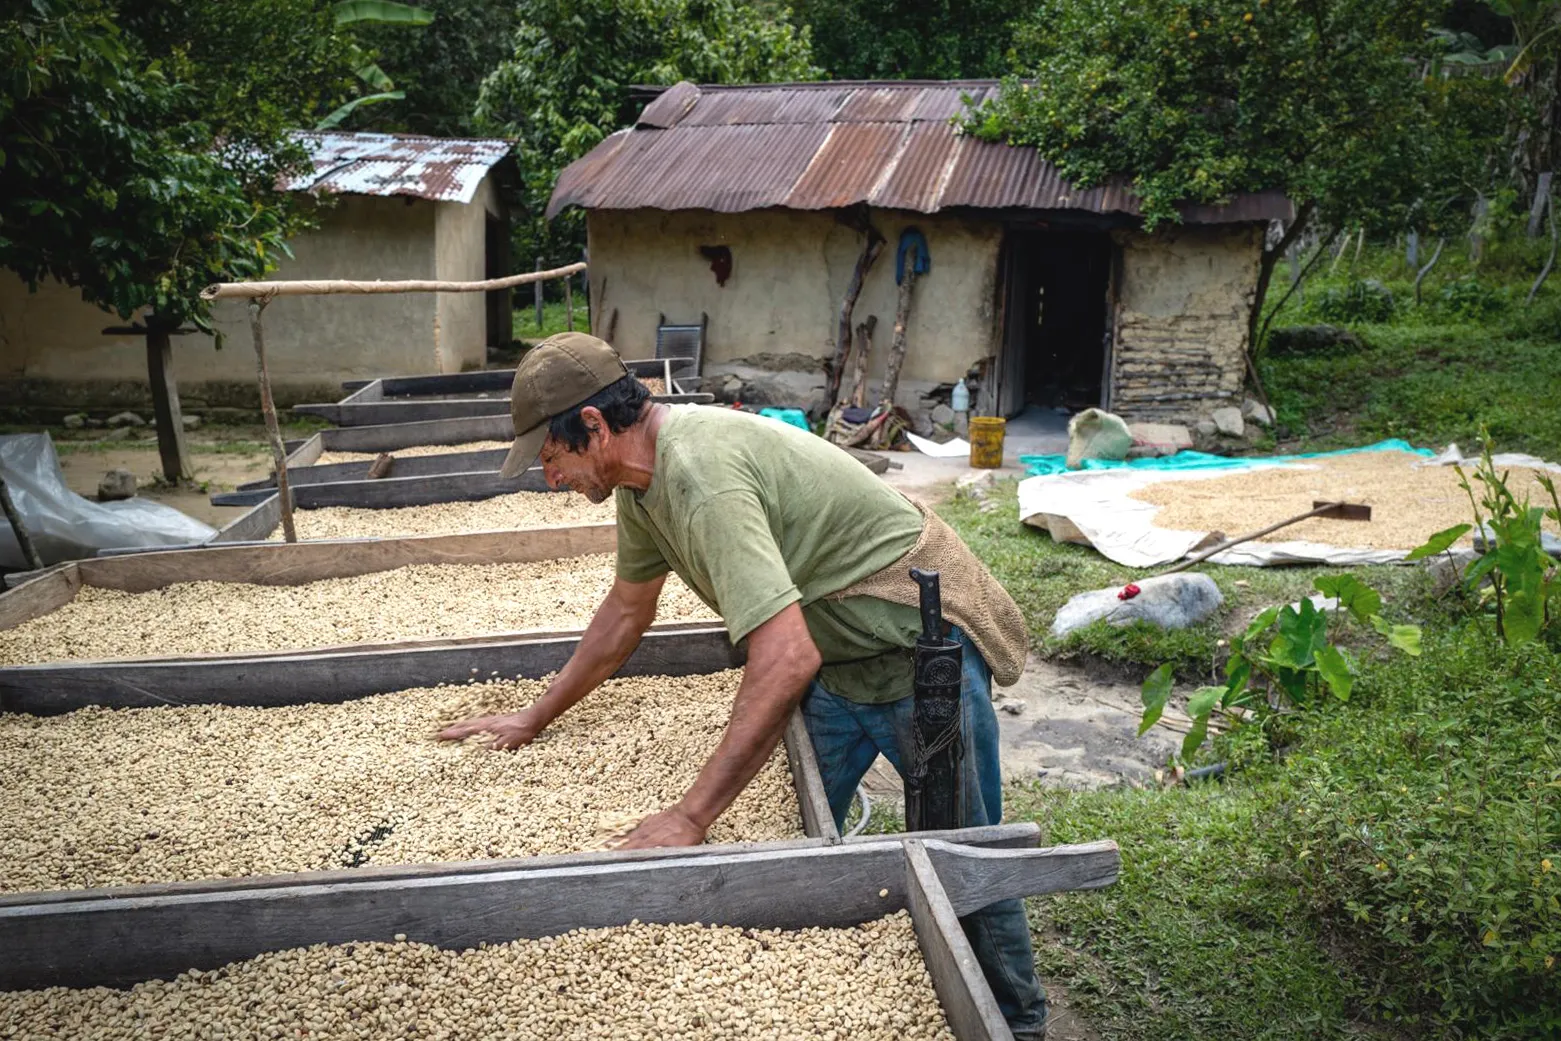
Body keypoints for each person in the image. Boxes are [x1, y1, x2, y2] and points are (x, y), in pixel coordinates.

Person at [436, 332, 1047, 1038]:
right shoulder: (640, 486)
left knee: (965, 860)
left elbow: (784, 659)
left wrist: (690, 816)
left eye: (551, 457)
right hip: (837, 661)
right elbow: (626, 612)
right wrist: (533, 716)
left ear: (595, 427)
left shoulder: (701, 476)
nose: (550, 478)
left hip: (916, 654)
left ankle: (1018, 1021)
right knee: (789, 837)